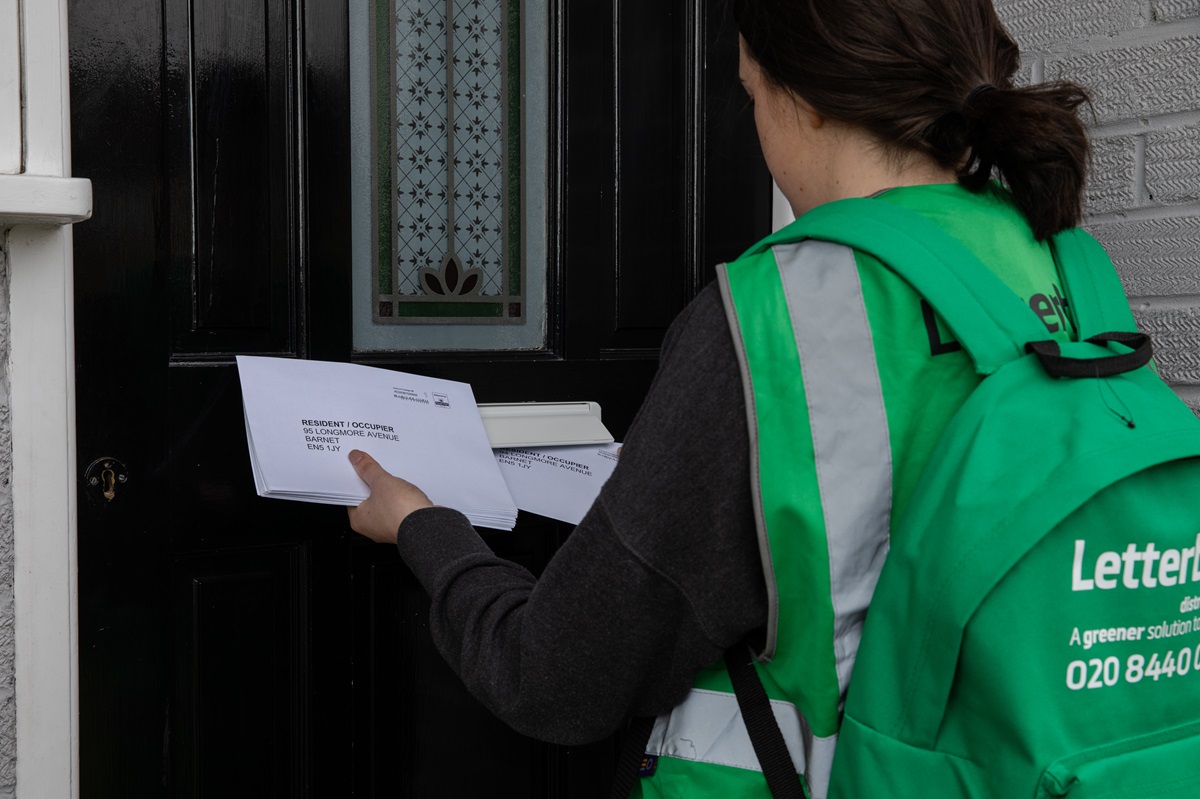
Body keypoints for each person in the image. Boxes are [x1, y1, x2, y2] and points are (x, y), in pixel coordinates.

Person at [348, 0, 1093, 796]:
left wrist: (425, 529)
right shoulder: (1060, 269)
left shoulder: (777, 315)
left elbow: (556, 676)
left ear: (803, 99)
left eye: (751, 94)